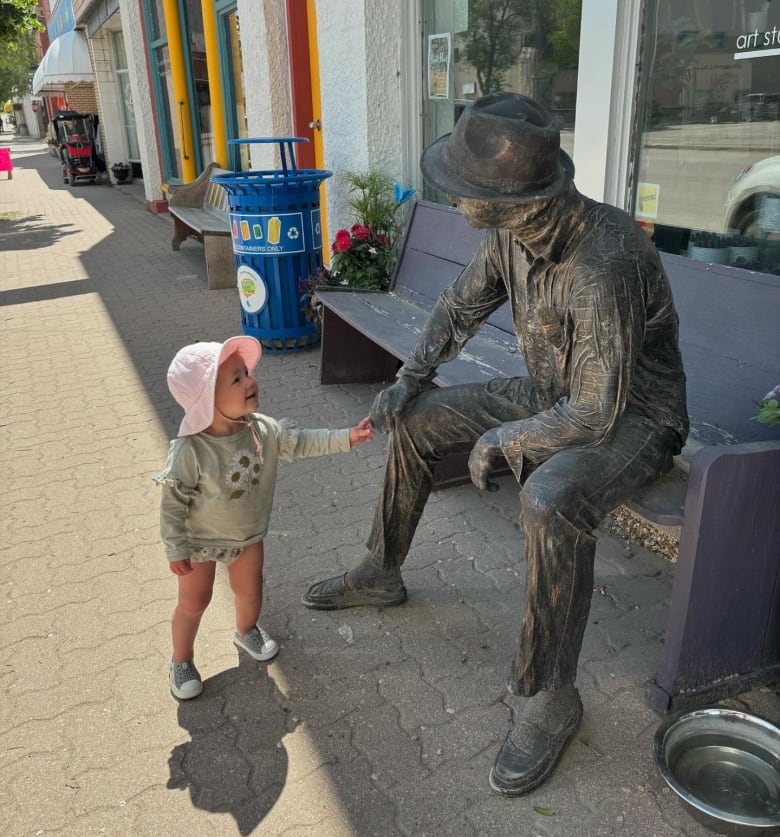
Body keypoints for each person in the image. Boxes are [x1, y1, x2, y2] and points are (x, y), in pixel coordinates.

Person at [302, 92, 688, 795]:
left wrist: (504, 438)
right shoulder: (511, 235)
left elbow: (599, 413)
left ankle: (549, 694)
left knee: (548, 495)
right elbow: (458, 308)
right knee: (417, 420)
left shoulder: (603, 261)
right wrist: (408, 378)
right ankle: (380, 569)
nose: (452, 194)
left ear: (517, 202)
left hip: (635, 418)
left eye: (464, 188)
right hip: (556, 394)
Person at [155, 336, 375, 700]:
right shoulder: (190, 450)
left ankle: (246, 631)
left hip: (247, 535)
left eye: (246, 373)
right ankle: (180, 660)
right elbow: (172, 502)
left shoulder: (261, 430)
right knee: (194, 602)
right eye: (236, 380)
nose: (250, 382)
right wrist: (175, 547)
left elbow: (302, 442)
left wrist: (347, 437)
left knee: (250, 590)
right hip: (200, 543)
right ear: (206, 399)